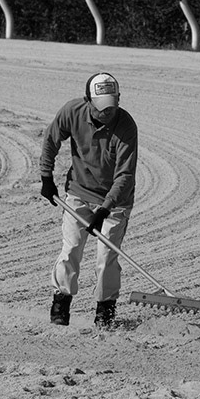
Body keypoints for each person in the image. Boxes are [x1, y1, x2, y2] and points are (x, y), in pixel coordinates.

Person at [39, 72, 138, 327]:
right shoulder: (72, 111)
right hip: (79, 193)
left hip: (115, 202)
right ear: (88, 101)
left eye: (112, 106)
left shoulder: (126, 126)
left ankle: (105, 310)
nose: (108, 113)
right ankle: (61, 302)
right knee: (71, 248)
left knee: (106, 257)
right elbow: (51, 139)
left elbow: (124, 175)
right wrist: (46, 177)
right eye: (102, 108)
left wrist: (104, 211)